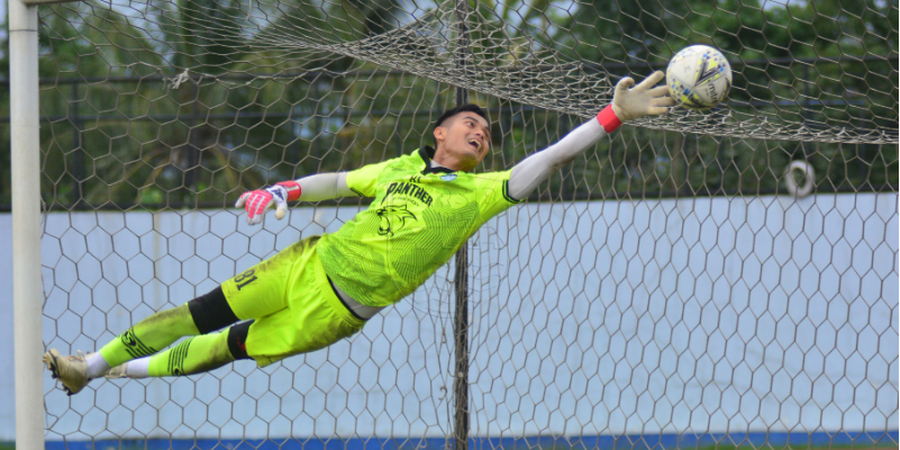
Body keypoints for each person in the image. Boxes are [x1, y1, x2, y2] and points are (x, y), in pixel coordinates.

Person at [44, 71, 674, 395]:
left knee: (228, 346)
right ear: (441, 133)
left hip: (337, 309)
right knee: (199, 311)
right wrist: (282, 189)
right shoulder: (399, 169)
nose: (481, 132)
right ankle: (90, 365)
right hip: (304, 262)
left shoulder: (484, 193)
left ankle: (111, 372)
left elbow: (554, 156)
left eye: (487, 131)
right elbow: (336, 180)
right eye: (471, 123)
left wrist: (614, 114)